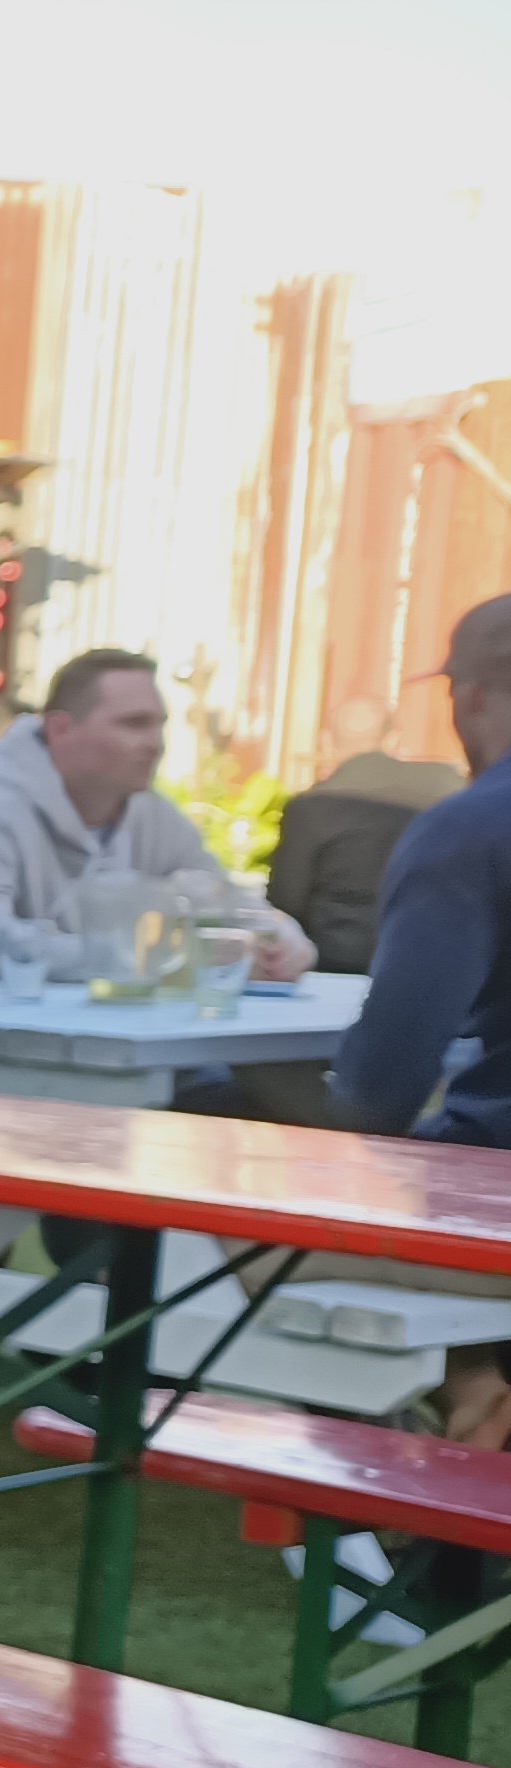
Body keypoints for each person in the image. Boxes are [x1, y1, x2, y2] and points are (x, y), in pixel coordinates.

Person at [312, 597, 511, 1443]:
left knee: (212, 1242)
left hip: (495, 1205)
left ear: (468, 695)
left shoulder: (471, 828)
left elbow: (380, 1086)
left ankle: (431, 1438)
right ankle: (476, 1386)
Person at [0, 648, 315, 978]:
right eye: (134, 724)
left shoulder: (152, 815)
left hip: (116, 1037)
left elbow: (228, 901)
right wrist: (143, 958)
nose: (155, 744)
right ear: (59, 730)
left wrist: (284, 939)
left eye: (159, 725)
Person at [269, 697, 463, 974]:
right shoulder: (454, 793)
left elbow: (286, 902)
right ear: (394, 739)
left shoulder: (310, 807)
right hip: (431, 963)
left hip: (332, 966)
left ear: (326, 741)